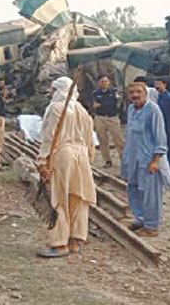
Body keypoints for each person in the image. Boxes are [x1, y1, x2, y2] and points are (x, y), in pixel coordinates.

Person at [36, 76, 97, 258]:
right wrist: (89, 160)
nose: (52, 94)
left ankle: (59, 243)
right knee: (78, 197)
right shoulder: (82, 111)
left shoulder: (55, 109)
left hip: (62, 155)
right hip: (82, 156)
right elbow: (90, 140)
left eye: (53, 90)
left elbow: (49, 138)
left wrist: (42, 162)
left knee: (59, 198)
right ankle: (76, 240)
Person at [122, 81, 170, 237]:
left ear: (145, 93)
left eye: (138, 92)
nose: (135, 95)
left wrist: (156, 160)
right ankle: (140, 218)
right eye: (132, 93)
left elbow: (160, 138)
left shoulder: (153, 110)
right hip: (133, 157)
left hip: (149, 159)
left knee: (151, 193)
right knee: (134, 189)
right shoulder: (131, 109)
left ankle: (151, 226)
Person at [90, 75, 124, 167]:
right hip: (100, 118)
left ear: (109, 82)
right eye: (102, 81)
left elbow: (117, 104)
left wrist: (102, 104)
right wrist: (103, 104)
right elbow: (94, 105)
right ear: (98, 83)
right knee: (102, 140)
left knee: (119, 140)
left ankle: (124, 160)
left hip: (113, 117)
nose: (104, 83)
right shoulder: (95, 93)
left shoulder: (114, 92)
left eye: (106, 81)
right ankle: (107, 161)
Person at [154, 78, 170, 173]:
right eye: (156, 84)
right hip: (161, 127)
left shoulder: (169, 98)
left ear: (164, 85)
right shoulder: (158, 97)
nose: (157, 86)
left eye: (159, 84)